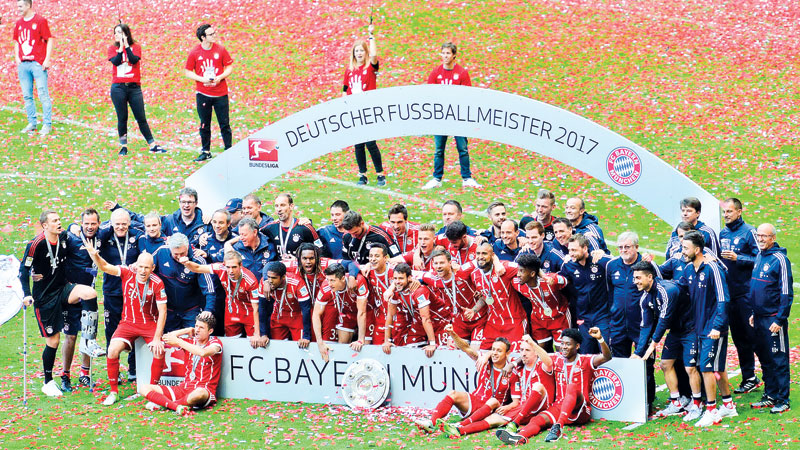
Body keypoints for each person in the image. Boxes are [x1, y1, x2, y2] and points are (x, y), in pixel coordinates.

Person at [19, 210, 104, 398]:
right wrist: (26, 294)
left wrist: (73, 226)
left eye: (59, 219)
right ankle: (48, 381)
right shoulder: (36, 244)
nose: (59, 223)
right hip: (45, 297)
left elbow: (74, 227)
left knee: (89, 293)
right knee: (54, 341)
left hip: (63, 289)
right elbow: (23, 270)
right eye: (54, 221)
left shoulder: (64, 237)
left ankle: (88, 340)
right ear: (45, 226)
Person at [83, 242, 167, 406]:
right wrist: (95, 255)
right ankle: (113, 392)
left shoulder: (157, 283)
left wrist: (157, 338)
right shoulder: (127, 273)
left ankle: (153, 393)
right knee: (112, 350)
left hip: (149, 324)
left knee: (159, 350)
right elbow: (105, 267)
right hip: (128, 323)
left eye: (147, 268)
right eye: (140, 267)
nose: (143, 271)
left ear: (153, 268)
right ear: (136, 265)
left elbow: (163, 311)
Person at [496, 327, 611, 444]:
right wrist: (513, 364)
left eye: (568, 344)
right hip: (559, 407)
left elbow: (607, 357)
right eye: (562, 343)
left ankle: (558, 427)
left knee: (571, 387)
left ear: (577, 346)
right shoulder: (556, 359)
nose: (564, 347)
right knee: (537, 420)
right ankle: (518, 437)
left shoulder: (585, 360)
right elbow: (529, 354)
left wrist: (600, 339)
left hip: (580, 408)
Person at [676, 231, 737, 427]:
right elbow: (679, 290)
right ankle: (728, 405)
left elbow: (723, 299)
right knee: (718, 367)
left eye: (685, 248)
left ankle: (711, 410)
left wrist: (717, 326)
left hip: (713, 329)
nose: (682, 251)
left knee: (706, 367)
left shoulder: (712, 268)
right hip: (700, 327)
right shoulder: (688, 269)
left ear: (697, 250)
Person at [448, 335, 554, 438]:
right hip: (523, 408)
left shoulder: (542, 365)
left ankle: (515, 423)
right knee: (492, 419)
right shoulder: (518, 368)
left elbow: (549, 362)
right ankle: (460, 429)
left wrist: (531, 343)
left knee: (537, 386)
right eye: (521, 350)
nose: (523, 353)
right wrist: (488, 355)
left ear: (536, 351)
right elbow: (498, 352)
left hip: (541, 405)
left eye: (527, 350)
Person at [602, 231, 660, 411]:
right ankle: (626, 401)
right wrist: (613, 314)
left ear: (636, 247)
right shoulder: (612, 266)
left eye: (627, 247)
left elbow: (658, 289)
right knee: (620, 362)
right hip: (618, 324)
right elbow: (609, 292)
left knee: (645, 363)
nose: (623, 250)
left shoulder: (647, 265)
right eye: (620, 247)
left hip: (642, 324)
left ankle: (647, 401)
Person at [414, 331, 512, 433]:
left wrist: (488, 354)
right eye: (493, 350)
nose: (494, 353)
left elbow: (521, 359)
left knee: (493, 401)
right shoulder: (484, 360)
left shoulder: (512, 368)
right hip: (477, 401)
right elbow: (466, 348)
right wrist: (452, 333)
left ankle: (460, 426)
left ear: (507, 353)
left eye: (499, 351)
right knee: (453, 394)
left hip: (494, 408)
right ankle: (431, 423)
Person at [631, 261, 689, 417]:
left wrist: (652, 346)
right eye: (634, 278)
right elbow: (646, 326)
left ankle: (697, 401)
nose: (635, 281)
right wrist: (639, 351)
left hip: (691, 328)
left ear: (650, 277)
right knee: (665, 364)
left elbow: (664, 320)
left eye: (638, 278)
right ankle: (676, 402)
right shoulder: (645, 298)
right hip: (676, 331)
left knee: (691, 367)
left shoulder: (667, 290)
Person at [421, 42, 481, 189]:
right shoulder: (436, 72)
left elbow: (467, 94)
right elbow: (429, 93)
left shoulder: (462, 73)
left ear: (454, 55)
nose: (445, 56)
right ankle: (437, 178)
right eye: (443, 53)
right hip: (441, 117)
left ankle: (466, 178)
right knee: (439, 149)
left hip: (457, 116)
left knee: (463, 148)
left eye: (448, 53)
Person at [749, 223, 793, 414]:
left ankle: (783, 399)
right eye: (758, 235)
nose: (760, 239)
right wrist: (754, 313)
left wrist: (780, 319)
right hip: (759, 318)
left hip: (773, 320)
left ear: (773, 238)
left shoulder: (780, 259)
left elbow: (786, 293)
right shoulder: (759, 255)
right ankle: (770, 394)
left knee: (778, 360)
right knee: (765, 358)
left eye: (764, 236)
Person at [139, 315, 222, 415]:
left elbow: (203, 352)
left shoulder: (215, 343)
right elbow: (166, 337)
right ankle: (176, 406)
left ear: (210, 331)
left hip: (204, 389)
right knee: (143, 388)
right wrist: (186, 330)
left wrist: (179, 341)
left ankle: (165, 404)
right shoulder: (190, 341)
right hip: (184, 387)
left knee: (199, 394)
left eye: (201, 327)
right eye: (196, 326)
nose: (197, 330)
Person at [718, 198, 761, 394]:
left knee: (754, 337)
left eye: (729, 211)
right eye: (724, 212)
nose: (726, 215)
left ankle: (771, 379)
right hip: (730, 295)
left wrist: (739, 258)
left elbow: (761, 258)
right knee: (739, 338)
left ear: (739, 211)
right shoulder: (723, 233)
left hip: (746, 294)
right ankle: (749, 377)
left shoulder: (749, 232)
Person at [178, 250, 263, 346]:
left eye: (234, 267)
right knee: (231, 343)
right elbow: (197, 268)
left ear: (240, 265)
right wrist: (187, 263)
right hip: (231, 310)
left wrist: (257, 333)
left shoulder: (251, 281)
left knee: (253, 343)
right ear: (224, 265)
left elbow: (256, 308)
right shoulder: (220, 268)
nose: (231, 271)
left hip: (249, 313)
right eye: (228, 267)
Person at [97, 208, 142, 380]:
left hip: (133, 292)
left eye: (124, 224)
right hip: (112, 291)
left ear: (129, 223)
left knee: (136, 328)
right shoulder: (105, 235)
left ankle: (134, 368)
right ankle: (114, 372)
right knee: (112, 332)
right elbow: (91, 234)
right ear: (111, 223)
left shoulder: (137, 235)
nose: (121, 227)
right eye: (117, 224)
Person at [107, 23, 165, 155]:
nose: (116, 35)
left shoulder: (136, 47)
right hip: (118, 88)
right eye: (115, 32)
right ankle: (123, 146)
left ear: (126, 34)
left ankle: (152, 144)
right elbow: (116, 62)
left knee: (141, 117)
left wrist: (127, 46)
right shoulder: (112, 48)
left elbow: (133, 60)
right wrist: (120, 48)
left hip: (134, 88)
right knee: (122, 118)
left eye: (119, 32)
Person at [60, 208, 100, 391]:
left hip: (89, 296)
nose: (90, 227)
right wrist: (72, 226)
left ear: (98, 224)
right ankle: (65, 374)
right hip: (72, 294)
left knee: (88, 334)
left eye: (93, 223)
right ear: (81, 223)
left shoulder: (102, 235)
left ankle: (85, 373)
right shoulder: (72, 238)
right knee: (70, 336)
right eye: (86, 224)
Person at [462, 243, 527, 351]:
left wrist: (542, 277)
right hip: (493, 323)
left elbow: (527, 268)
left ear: (492, 255)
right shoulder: (474, 275)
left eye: (484, 253)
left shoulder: (504, 267)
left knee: (514, 356)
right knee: (482, 354)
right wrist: (474, 310)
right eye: (478, 253)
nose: (480, 257)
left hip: (514, 321)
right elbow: (484, 297)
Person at [343, 23, 385, 186]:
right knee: (358, 144)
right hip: (354, 111)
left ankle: (380, 174)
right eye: (357, 51)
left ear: (365, 52)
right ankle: (363, 175)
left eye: (362, 50)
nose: (359, 53)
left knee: (370, 143)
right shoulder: (349, 70)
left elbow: (374, 55)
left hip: (368, 110)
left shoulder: (370, 67)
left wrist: (371, 35)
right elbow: (345, 89)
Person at [184, 23, 233, 162]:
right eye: (211, 34)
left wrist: (220, 77)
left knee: (224, 123)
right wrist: (201, 79)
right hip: (203, 93)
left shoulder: (220, 49)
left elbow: (229, 66)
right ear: (203, 37)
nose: (214, 36)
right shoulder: (195, 52)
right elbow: (188, 71)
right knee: (204, 124)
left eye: (214, 33)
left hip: (220, 93)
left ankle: (229, 149)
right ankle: (206, 151)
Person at [419, 248, 485, 348]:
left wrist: (481, 286)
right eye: (436, 263)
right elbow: (409, 275)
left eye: (442, 263)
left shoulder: (463, 271)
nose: (438, 266)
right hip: (459, 321)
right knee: (451, 349)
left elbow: (485, 258)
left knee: (475, 351)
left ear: (450, 263)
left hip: (478, 318)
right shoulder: (432, 278)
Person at [558, 234, 612, 354]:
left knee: (606, 352)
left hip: (602, 316)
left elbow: (619, 262)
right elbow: (559, 281)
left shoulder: (600, 261)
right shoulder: (568, 265)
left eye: (574, 250)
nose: (571, 253)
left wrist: (602, 252)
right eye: (569, 250)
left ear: (585, 248)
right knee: (586, 354)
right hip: (583, 318)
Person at [152, 233, 216, 332]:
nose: (179, 257)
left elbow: (209, 287)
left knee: (193, 337)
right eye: (175, 254)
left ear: (187, 247)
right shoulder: (161, 251)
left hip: (191, 310)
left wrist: (208, 309)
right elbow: (147, 266)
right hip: (168, 309)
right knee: (169, 338)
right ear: (170, 249)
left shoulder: (197, 260)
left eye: (182, 253)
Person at [382, 263, 450, 351]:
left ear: (409, 278)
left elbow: (426, 318)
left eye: (401, 278)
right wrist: (387, 340)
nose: (397, 282)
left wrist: (432, 343)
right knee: (409, 347)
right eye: (395, 278)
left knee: (441, 351)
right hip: (419, 322)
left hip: (439, 321)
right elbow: (391, 315)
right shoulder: (395, 290)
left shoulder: (419, 291)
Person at [511, 253, 569, 353]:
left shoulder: (551, 281)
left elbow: (566, 281)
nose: (518, 275)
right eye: (518, 271)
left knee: (562, 352)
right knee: (540, 350)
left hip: (559, 317)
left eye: (522, 271)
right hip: (538, 319)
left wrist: (546, 277)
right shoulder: (517, 283)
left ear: (532, 274)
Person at [312, 263, 370, 361]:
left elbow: (362, 312)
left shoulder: (358, 281)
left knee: (365, 346)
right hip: (348, 313)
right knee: (342, 345)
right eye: (328, 280)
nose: (329, 284)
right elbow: (316, 314)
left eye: (332, 280)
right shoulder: (326, 287)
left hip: (367, 312)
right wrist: (320, 342)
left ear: (343, 279)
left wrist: (360, 340)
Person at [14, 0, 53, 136]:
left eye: (20, 6)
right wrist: (17, 57)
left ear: (28, 5)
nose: (18, 9)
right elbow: (16, 41)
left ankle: (47, 124)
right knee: (27, 95)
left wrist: (47, 59)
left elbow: (49, 39)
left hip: (37, 64)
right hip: (23, 64)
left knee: (43, 94)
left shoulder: (40, 21)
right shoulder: (19, 23)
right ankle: (32, 122)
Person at [260, 261, 312, 345]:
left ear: (283, 277)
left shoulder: (297, 283)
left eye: (274, 278)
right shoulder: (265, 283)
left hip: (297, 316)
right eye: (268, 277)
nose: (270, 281)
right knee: (278, 346)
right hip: (278, 314)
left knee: (301, 346)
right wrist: (263, 334)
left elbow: (306, 309)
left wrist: (306, 336)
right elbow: (262, 308)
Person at [262, 193, 327, 259]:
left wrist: (298, 261)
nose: (279, 209)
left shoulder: (305, 228)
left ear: (291, 206)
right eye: (276, 206)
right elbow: (256, 232)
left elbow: (320, 253)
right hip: (279, 265)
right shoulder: (270, 228)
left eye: (282, 205)